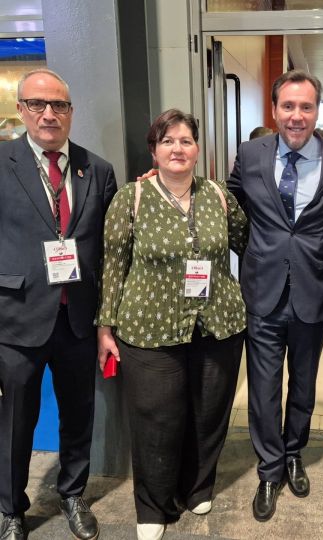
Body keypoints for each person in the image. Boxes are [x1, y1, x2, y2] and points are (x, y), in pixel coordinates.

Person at [97, 109, 247, 540]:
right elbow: (113, 265)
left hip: (217, 324)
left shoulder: (219, 196)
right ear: (154, 150)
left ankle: (197, 486)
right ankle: (153, 505)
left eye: (185, 140)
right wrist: (104, 328)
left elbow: (250, 242)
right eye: (168, 141)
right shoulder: (133, 197)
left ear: (198, 150)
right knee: (155, 420)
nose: (177, 148)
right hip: (149, 328)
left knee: (209, 414)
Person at [0, 69, 117, 540]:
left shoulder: (97, 169)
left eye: (59, 106)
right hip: (17, 316)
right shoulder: (2, 161)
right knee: (15, 421)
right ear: (22, 110)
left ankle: (72, 492)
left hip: (78, 317)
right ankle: (11, 508)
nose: (49, 114)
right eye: (38, 104)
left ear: (71, 112)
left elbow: (111, 248)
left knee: (78, 414)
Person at [228, 69, 323, 522]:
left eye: (306, 107)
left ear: (317, 111)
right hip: (262, 291)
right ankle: (270, 468)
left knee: (303, 382)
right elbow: (227, 203)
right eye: (288, 107)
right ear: (274, 110)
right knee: (262, 388)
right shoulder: (250, 153)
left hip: (313, 291)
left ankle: (295, 450)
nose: (297, 116)